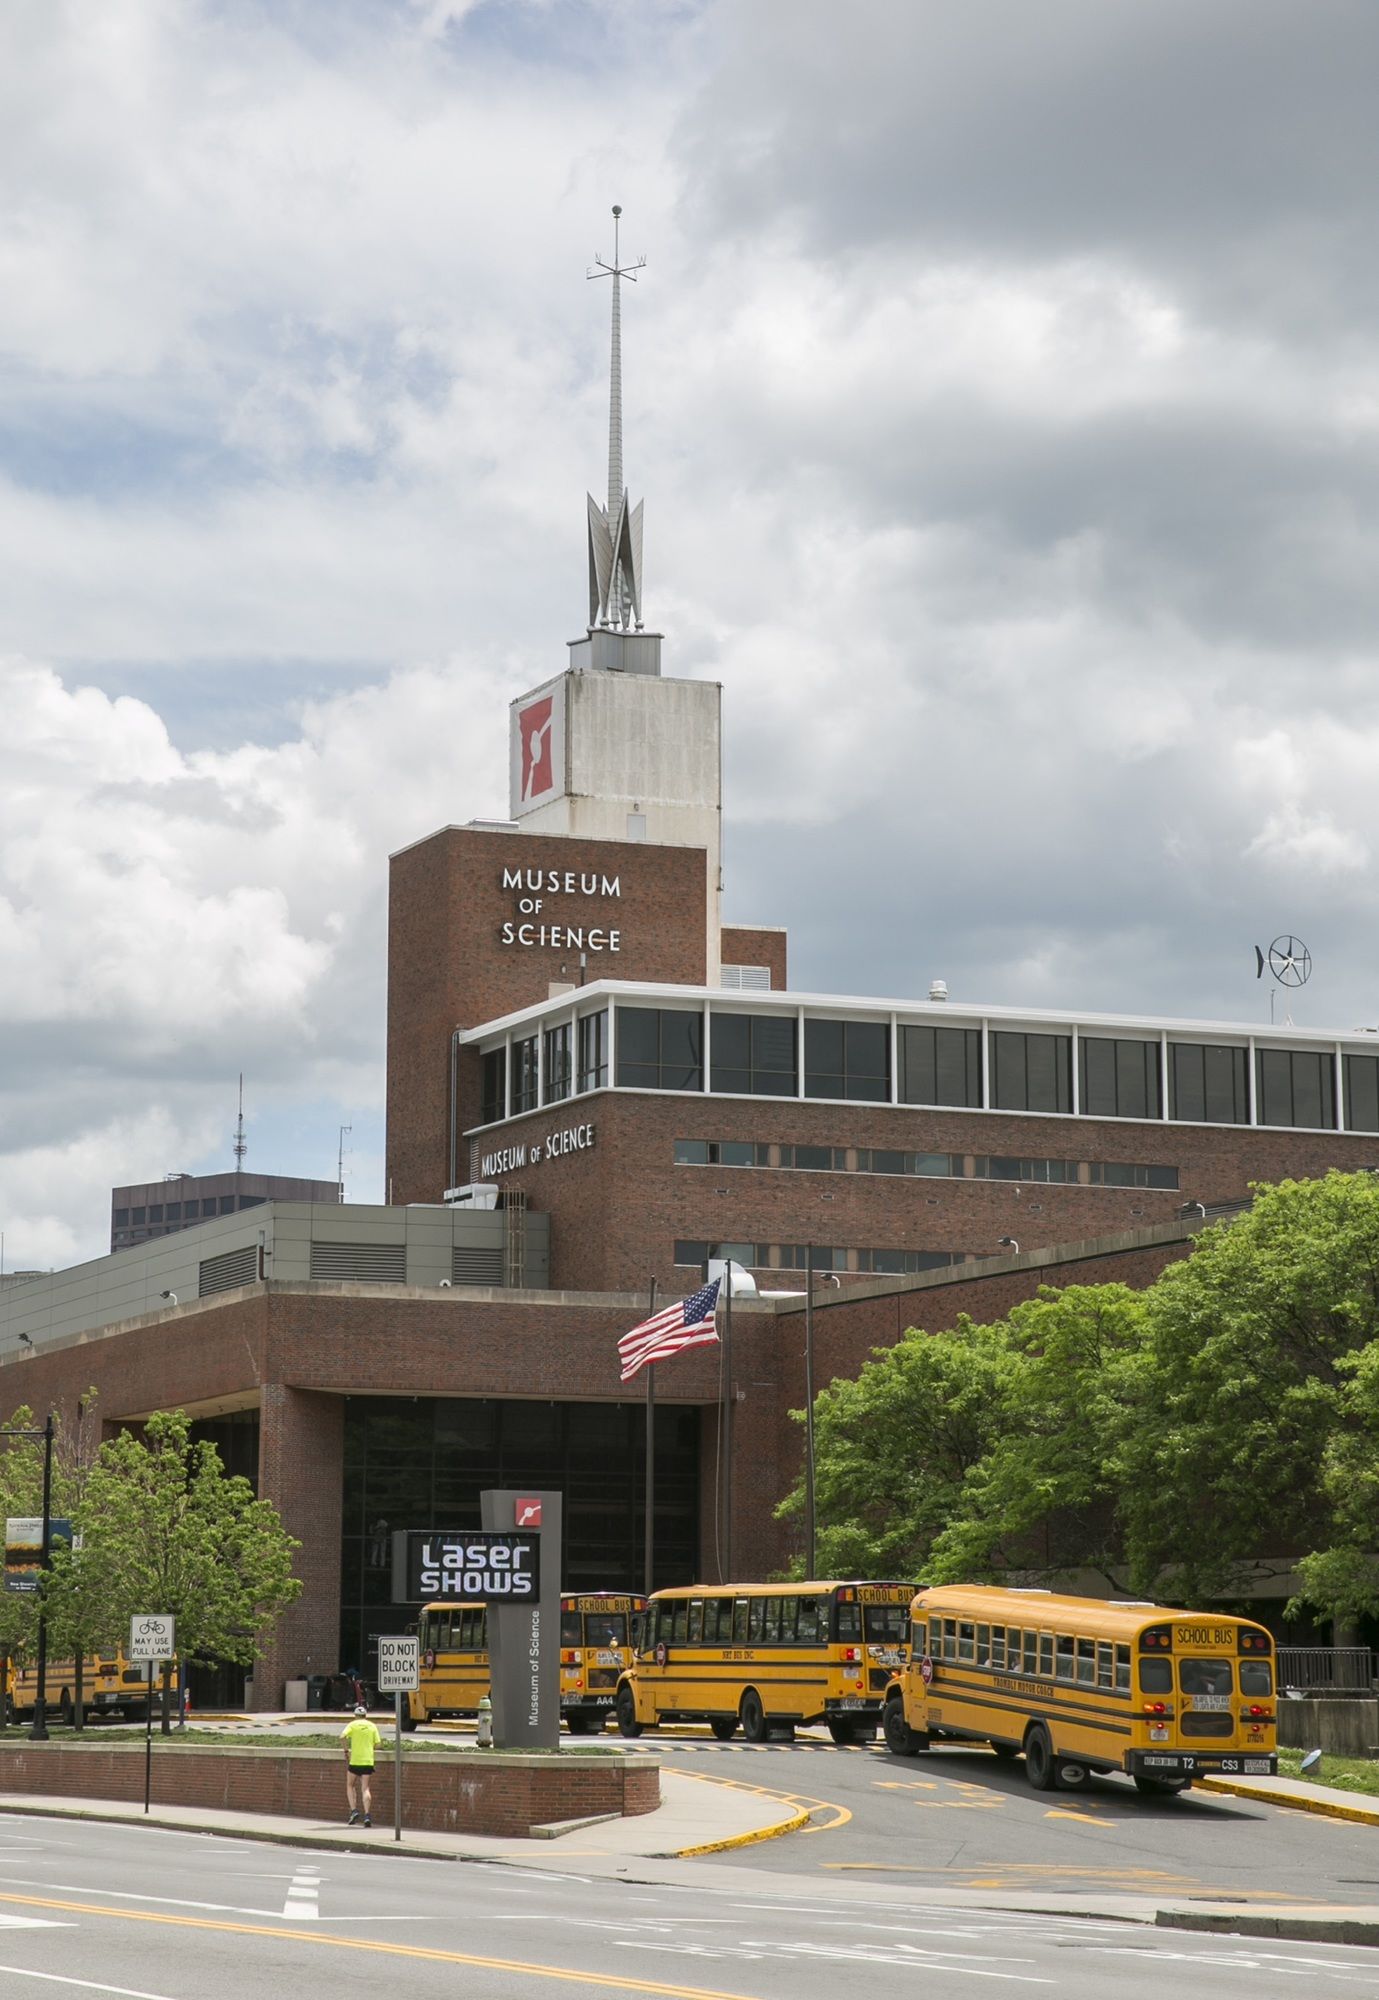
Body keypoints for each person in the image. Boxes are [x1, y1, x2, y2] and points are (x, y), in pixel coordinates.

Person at [340, 1703, 381, 1826]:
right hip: (368, 1761)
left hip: (355, 1761)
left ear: (356, 1716)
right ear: (365, 1715)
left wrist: (346, 1751)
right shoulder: (372, 1726)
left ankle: (354, 1811)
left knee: (350, 1785)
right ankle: (367, 1815)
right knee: (365, 1788)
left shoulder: (352, 1725)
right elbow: (378, 1744)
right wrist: (370, 1748)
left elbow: (342, 1737)